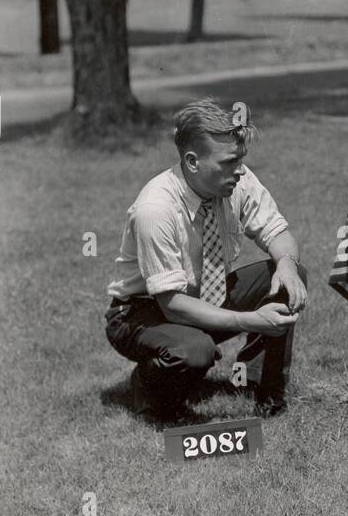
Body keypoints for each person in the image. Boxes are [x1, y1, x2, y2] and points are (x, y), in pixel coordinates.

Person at [104, 99, 307, 422]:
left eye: (240, 159)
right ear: (193, 161)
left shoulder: (236, 180)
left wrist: (286, 264)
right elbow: (172, 304)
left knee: (285, 275)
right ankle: (151, 388)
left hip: (203, 295)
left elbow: (276, 231)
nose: (239, 170)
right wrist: (251, 320)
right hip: (142, 312)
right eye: (228, 162)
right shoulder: (155, 209)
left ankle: (264, 390)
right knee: (195, 351)